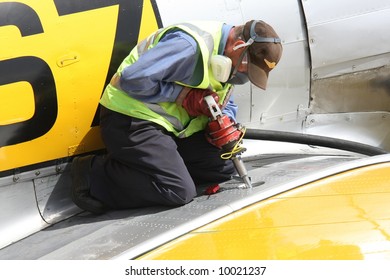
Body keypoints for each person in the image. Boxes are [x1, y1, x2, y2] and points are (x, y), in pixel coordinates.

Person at [71, 20, 283, 214]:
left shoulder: (228, 58)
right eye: (247, 68)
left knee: (223, 166)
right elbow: (132, 80)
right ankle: (94, 175)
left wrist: (222, 123)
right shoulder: (188, 47)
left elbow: (224, 99)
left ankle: (167, 168)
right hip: (131, 117)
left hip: (171, 128)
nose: (243, 75)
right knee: (177, 191)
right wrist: (183, 96)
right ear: (238, 44)